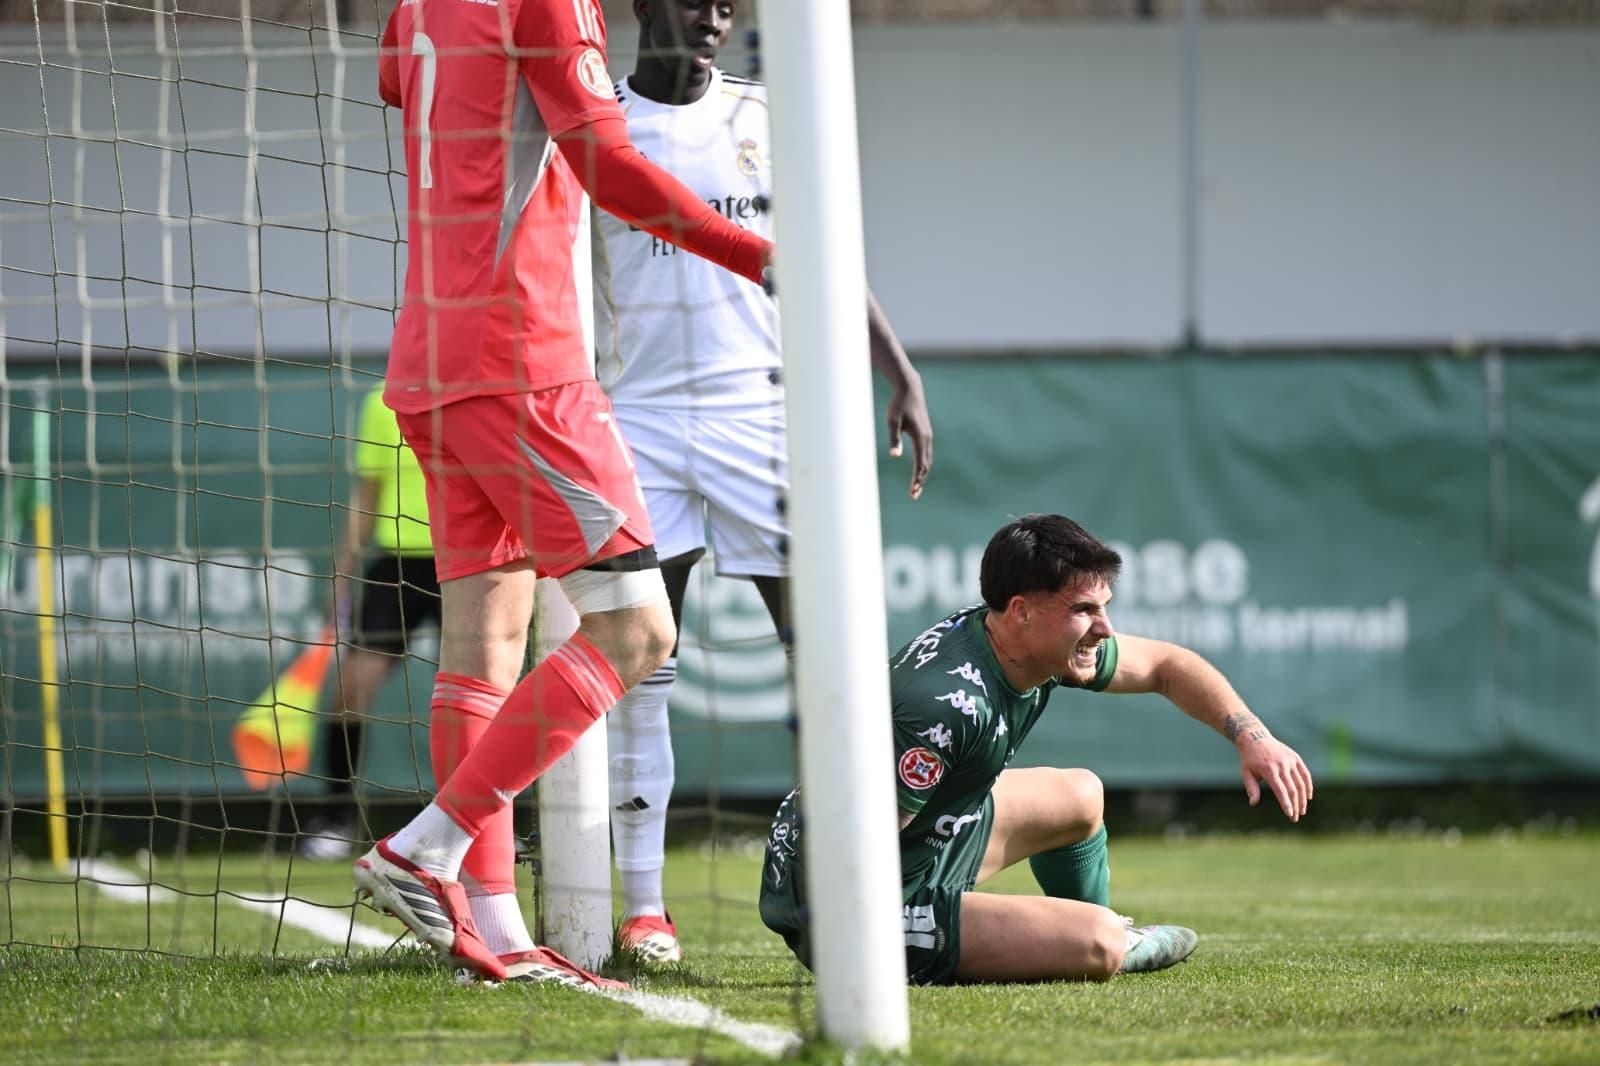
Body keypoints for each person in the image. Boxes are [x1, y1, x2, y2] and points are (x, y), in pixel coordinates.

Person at [354, 0, 777, 984]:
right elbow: (606, 167)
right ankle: (426, 845)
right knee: (640, 631)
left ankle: (492, 929)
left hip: (427, 353)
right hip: (520, 356)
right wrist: (761, 257)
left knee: (483, 645)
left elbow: (395, 79)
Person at [593, 0, 934, 964]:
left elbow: (825, 254)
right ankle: (645, 911)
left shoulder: (764, 117)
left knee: (826, 658)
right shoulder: (597, 129)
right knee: (637, 668)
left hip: (761, 417)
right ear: (646, 6)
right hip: (641, 422)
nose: (715, 16)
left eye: (726, 3)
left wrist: (897, 371)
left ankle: (864, 886)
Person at [759, 514, 1316, 985]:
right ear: (1022, 611)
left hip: (926, 842)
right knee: (1097, 945)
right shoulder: (945, 705)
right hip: (846, 900)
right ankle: (1105, 939)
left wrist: (1252, 737)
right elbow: (849, 851)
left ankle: (1100, 926)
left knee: (1080, 795)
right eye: (1084, 610)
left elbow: (1168, 668)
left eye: (1104, 606)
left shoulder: (1028, 644)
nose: (1104, 627)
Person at [297, 385, 439, 862]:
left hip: (470, 560)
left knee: (483, 695)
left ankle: (491, 827)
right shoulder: (383, 401)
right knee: (348, 692)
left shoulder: (482, 386)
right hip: (397, 565)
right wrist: (341, 575)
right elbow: (369, 492)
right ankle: (337, 818)